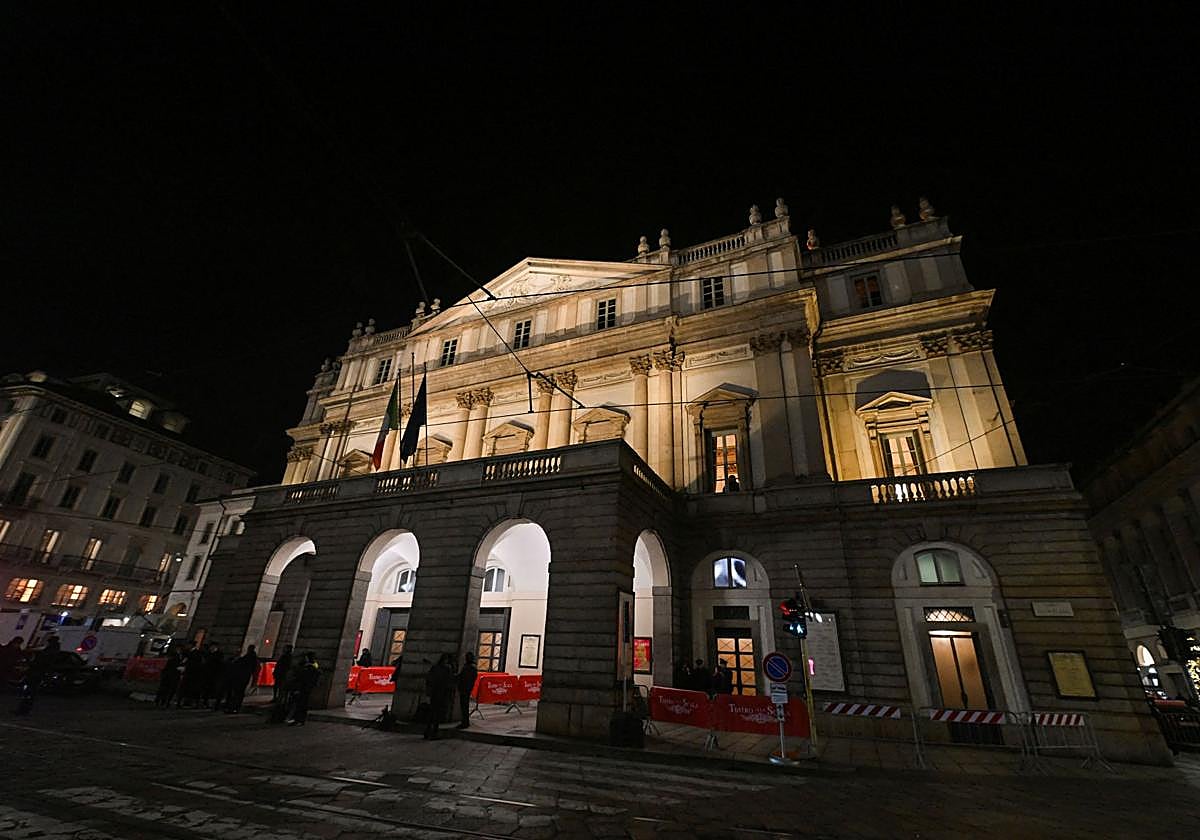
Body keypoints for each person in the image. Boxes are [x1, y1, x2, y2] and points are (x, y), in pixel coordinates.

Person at [423, 653, 454, 740]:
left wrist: (428, 692)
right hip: (441, 694)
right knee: (437, 714)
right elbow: (449, 681)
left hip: (434, 693)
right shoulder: (447, 669)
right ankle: (434, 733)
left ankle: (427, 732)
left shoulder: (435, 667)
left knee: (431, 713)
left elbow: (429, 679)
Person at [223, 645, 259, 713]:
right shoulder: (252, 658)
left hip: (241, 677)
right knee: (239, 692)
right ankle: (235, 707)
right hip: (245, 677)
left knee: (238, 692)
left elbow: (239, 664)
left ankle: (234, 707)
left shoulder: (248, 657)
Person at [288, 652, 320, 726]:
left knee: (302, 704)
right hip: (304, 688)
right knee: (299, 704)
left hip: (304, 688)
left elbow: (303, 678)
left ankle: (299, 720)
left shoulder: (310, 667)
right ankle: (297, 719)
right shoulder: (309, 666)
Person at [456, 651, 478, 729]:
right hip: (466, 688)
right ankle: (465, 721)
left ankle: (465, 722)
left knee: (464, 706)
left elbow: (465, 678)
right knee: (464, 706)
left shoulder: (470, 667)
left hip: (465, 688)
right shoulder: (471, 667)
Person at [201, 643, 225, 710]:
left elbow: (219, 664)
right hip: (207, 674)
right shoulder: (208, 654)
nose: (211, 648)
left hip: (214, 674)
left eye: (212, 647)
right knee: (206, 688)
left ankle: (209, 702)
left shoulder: (219, 654)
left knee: (212, 689)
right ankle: (205, 702)